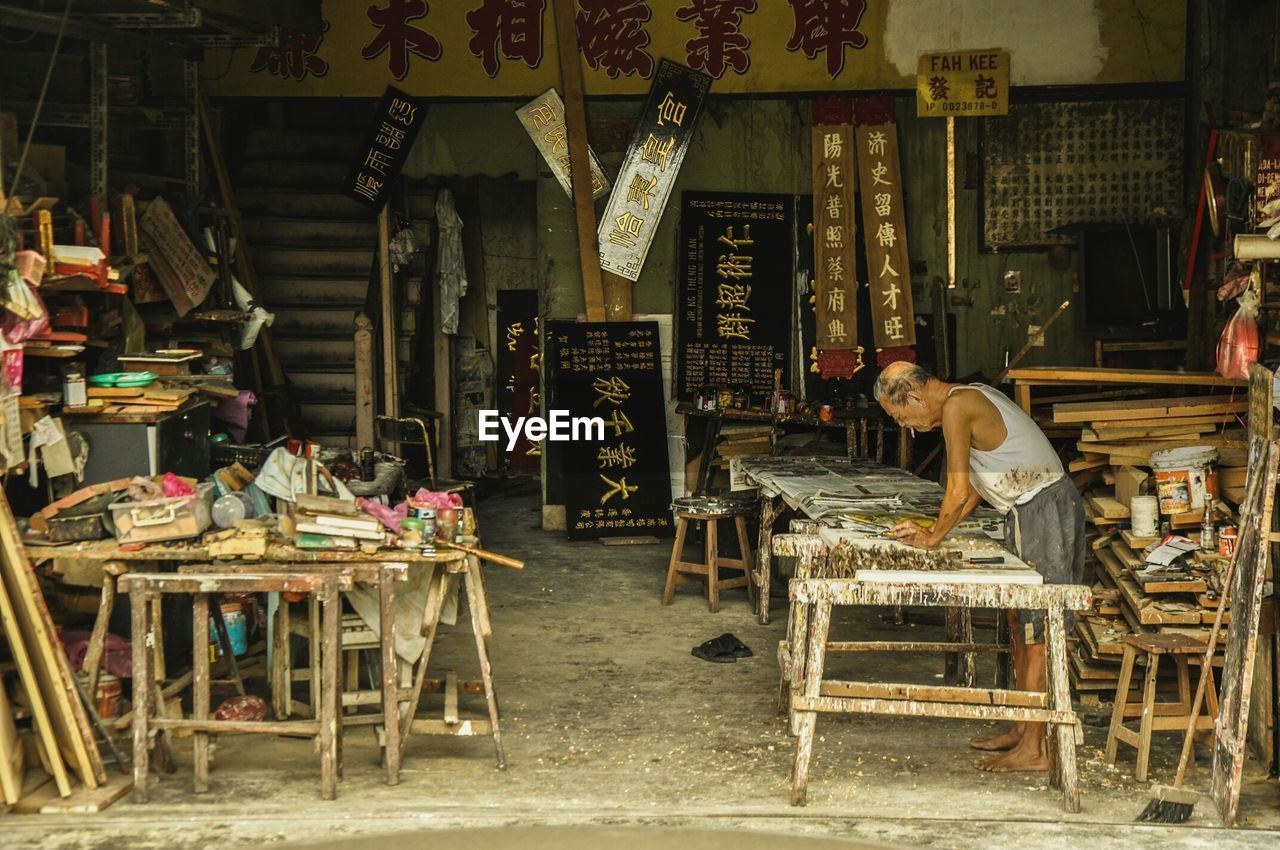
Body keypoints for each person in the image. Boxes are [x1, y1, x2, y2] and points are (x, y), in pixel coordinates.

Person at [873, 361, 1084, 773]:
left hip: (1043, 508)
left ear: (915, 397)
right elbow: (969, 493)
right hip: (1029, 510)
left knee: (1037, 630)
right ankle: (1024, 727)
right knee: (1019, 622)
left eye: (902, 417)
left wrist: (933, 537)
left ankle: (1036, 748)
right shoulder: (965, 398)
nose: (908, 427)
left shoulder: (958, 404)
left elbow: (955, 490)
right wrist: (933, 528)